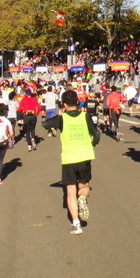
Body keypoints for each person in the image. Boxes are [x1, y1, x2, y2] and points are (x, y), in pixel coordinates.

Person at [44, 90, 99, 235]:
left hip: (69, 158)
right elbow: (96, 134)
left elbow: (45, 123)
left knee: (70, 191)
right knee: (85, 186)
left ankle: (76, 224)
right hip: (85, 155)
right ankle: (83, 197)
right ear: (78, 102)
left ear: (64, 104)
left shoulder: (62, 118)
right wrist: (91, 146)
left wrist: (60, 114)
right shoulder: (85, 116)